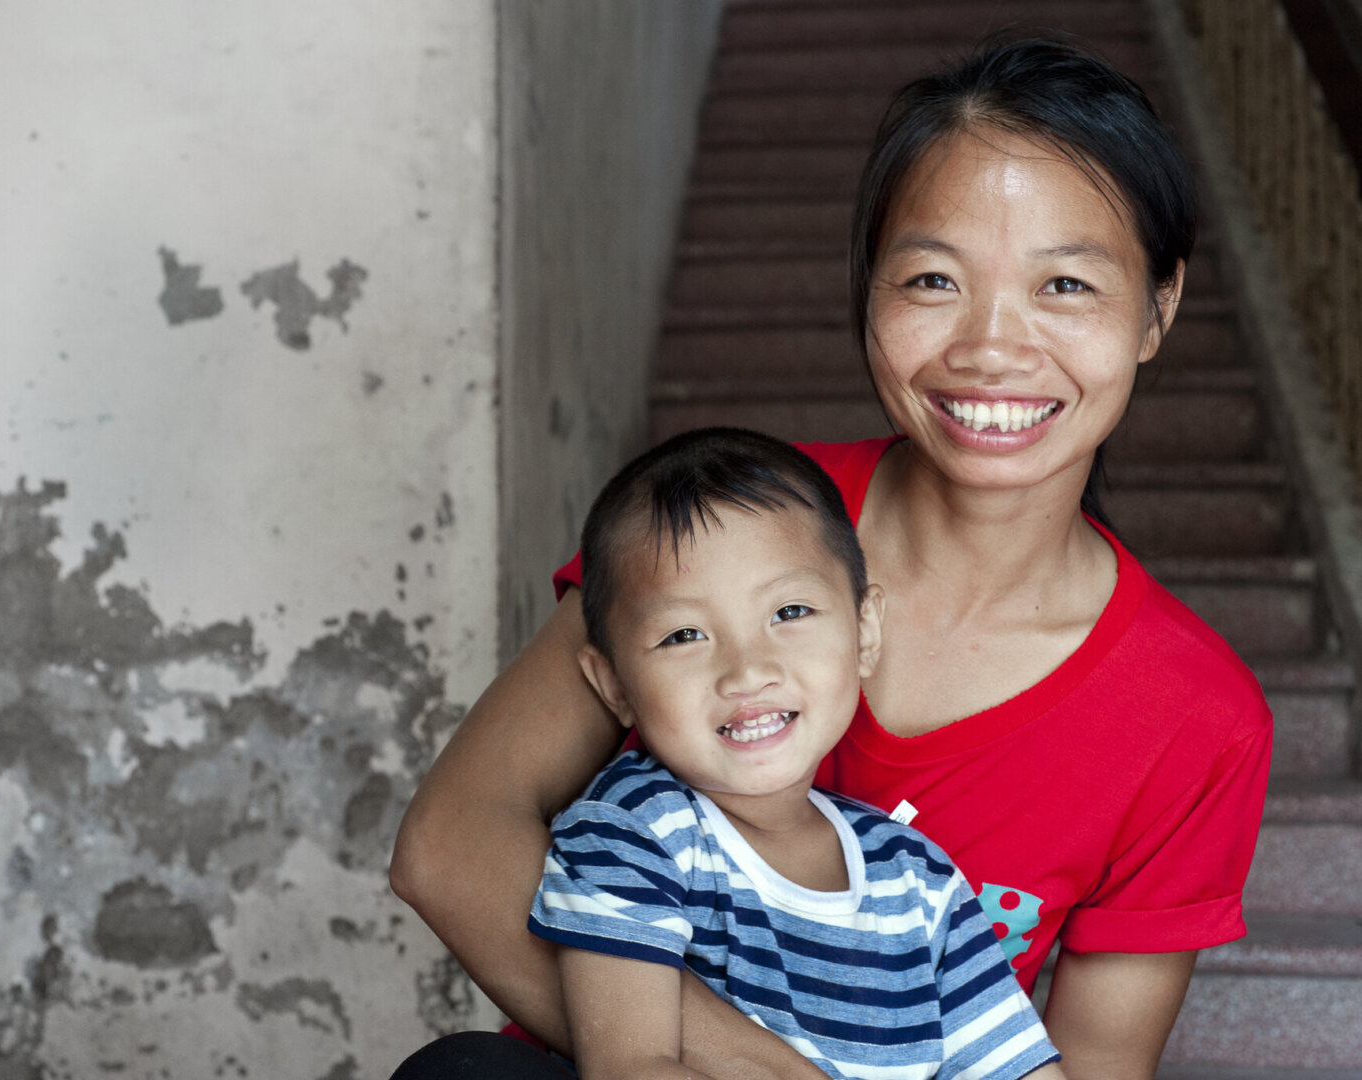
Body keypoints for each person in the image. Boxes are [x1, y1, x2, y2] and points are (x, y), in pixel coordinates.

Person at [391, 35, 1273, 1080]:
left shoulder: (1192, 719)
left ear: (1157, 310)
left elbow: (1088, 1066)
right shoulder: (716, 524)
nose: (992, 346)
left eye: (1066, 286)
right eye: (935, 278)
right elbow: (451, 847)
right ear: (869, 292)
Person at [527, 426, 1063, 1080]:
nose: (747, 670)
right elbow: (632, 1066)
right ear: (614, 686)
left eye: (790, 612)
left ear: (865, 632)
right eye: (684, 634)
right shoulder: (634, 833)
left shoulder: (916, 876)